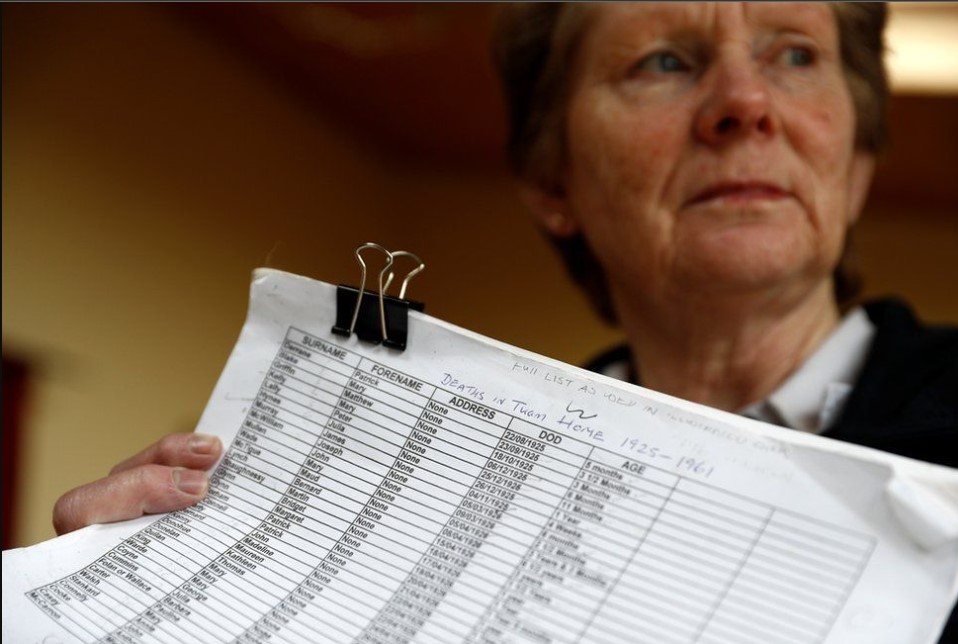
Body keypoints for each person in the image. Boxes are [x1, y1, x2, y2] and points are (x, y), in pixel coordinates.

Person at [52, 1, 957, 639]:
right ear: (552, 181)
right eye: (664, 62)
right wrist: (130, 605)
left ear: (857, 160)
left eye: (795, 54)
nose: (745, 105)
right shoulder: (422, 495)